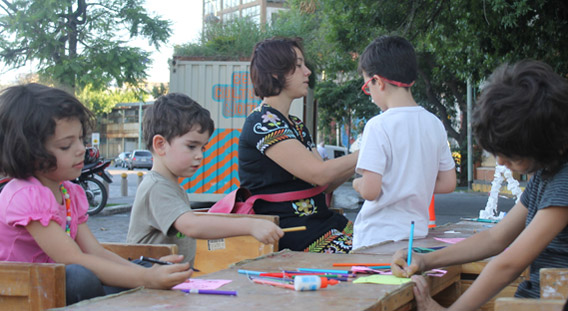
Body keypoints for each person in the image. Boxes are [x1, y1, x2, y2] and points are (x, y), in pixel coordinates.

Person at [391, 60, 568, 311]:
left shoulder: (564, 180)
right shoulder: (546, 173)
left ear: (542, 140)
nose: (501, 162)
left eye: (510, 154)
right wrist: (425, 260)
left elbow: (510, 263)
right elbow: (496, 237)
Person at [0, 83, 192, 306]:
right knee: (79, 278)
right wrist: (146, 278)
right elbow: (71, 258)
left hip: (50, 284)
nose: (81, 149)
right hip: (18, 292)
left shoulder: (68, 191)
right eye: (65, 146)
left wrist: (145, 272)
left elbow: (94, 251)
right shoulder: (25, 195)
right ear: (27, 151)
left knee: (135, 269)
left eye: (81, 139)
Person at [127, 93, 283, 265]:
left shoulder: (170, 186)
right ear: (160, 145)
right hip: (149, 287)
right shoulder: (157, 187)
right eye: (191, 146)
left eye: (203, 147)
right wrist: (251, 226)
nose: (200, 155)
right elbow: (192, 225)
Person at [239, 37, 358, 253]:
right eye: (298, 66)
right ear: (276, 73)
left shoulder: (295, 125)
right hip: (293, 232)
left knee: (381, 242)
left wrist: (362, 158)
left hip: (320, 223)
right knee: (372, 255)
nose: (307, 72)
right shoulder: (262, 123)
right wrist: (369, 151)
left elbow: (324, 184)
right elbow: (320, 174)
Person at [352, 35, 456, 250]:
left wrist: (357, 184)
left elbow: (371, 190)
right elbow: (448, 183)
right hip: (415, 236)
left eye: (367, 88)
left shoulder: (378, 125)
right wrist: (414, 183)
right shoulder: (434, 123)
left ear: (378, 82)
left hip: (375, 238)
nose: (370, 96)